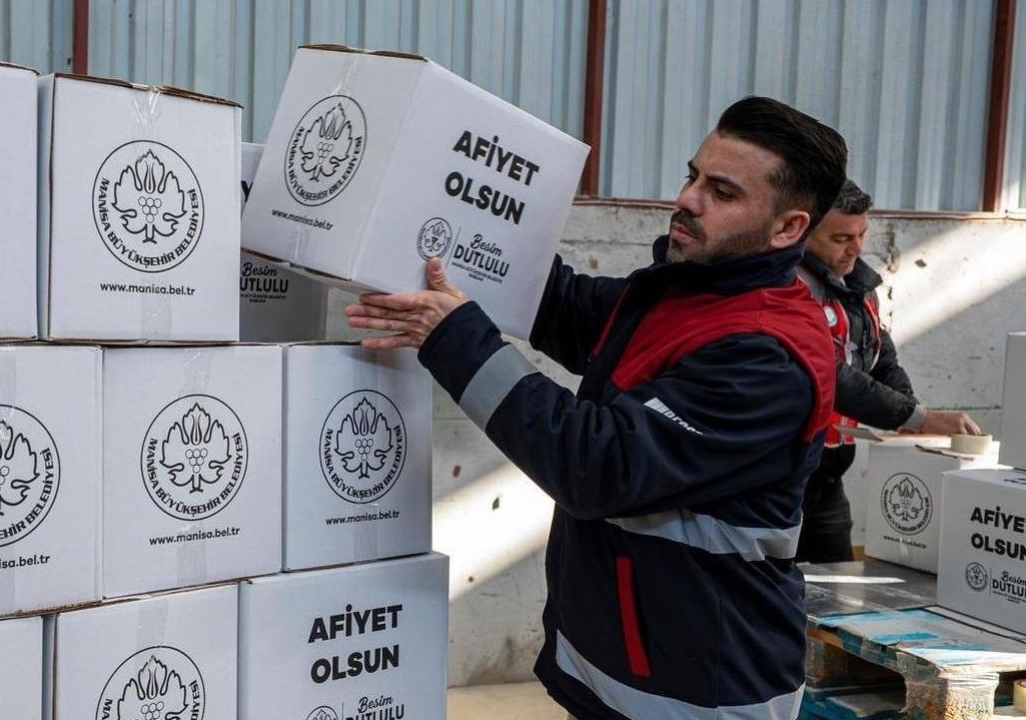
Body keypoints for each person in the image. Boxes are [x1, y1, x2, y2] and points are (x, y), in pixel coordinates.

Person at [346, 96, 845, 720]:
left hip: (704, 690)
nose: (688, 199)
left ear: (788, 228)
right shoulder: (682, 296)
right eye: (692, 176)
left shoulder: (766, 357)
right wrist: (437, 220)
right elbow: (559, 304)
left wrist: (453, 337)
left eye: (721, 191)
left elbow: (596, 465)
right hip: (627, 667)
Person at [794, 180, 981, 563]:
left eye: (862, 234)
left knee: (835, 590)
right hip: (781, 480)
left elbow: (883, 362)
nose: (858, 249)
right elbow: (830, 375)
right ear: (803, 230)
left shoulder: (861, 288)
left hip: (828, 480)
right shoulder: (789, 289)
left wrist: (912, 415)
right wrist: (918, 417)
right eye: (842, 238)